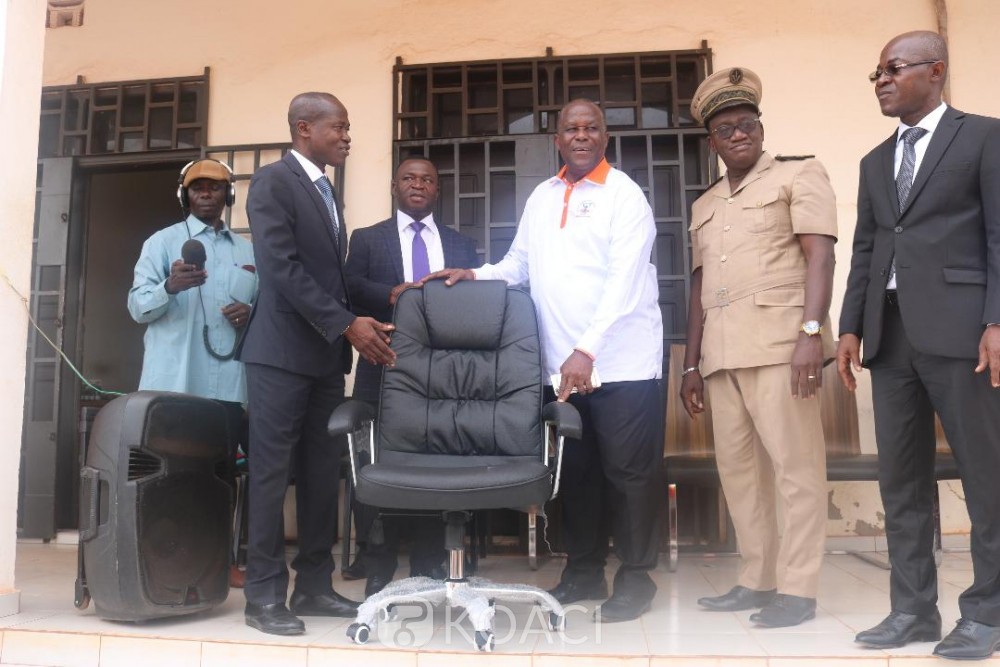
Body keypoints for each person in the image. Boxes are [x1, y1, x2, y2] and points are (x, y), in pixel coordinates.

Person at [424, 99, 664, 623]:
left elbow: (625, 282)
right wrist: (475, 274)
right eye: (571, 128)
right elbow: (519, 264)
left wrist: (587, 349)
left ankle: (636, 578)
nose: (581, 136)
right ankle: (584, 569)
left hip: (622, 363)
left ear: (605, 137)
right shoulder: (542, 196)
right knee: (575, 474)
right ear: (558, 139)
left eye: (591, 128)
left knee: (629, 475)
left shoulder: (624, 195)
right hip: (562, 370)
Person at [838, 31, 1000, 660]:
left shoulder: (983, 137)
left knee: (986, 477)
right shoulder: (875, 161)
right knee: (901, 482)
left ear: (936, 71)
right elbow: (866, 249)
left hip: (965, 334)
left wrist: (996, 320)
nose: (881, 80)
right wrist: (850, 327)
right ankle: (912, 610)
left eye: (893, 68)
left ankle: (987, 613)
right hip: (890, 337)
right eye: (876, 73)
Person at [680, 68, 837, 628]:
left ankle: (798, 588)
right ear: (713, 143)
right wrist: (691, 364)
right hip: (722, 357)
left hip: (780, 347)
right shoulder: (704, 204)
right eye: (725, 129)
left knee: (796, 470)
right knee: (741, 474)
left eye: (747, 123)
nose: (738, 134)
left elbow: (821, 256)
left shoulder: (799, 174)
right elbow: (699, 287)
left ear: (761, 129)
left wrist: (811, 334)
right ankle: (757, 578)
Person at [238, 92, 397, 636]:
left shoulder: (325, 190)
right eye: (340, 127)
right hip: (280, 356)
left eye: (348, 128)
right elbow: (280, 269)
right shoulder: (272, 182)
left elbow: (330, 278)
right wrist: (347, 323)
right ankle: (263, 596)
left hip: (325, 358)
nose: (347, 137)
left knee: (320, 475)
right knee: (270, 476)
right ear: (304, 128)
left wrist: (370, 309)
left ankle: (312, 586)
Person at [344, 157, 479, 596]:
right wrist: (392, 293)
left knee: (435, 463)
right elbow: (348, 286)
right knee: (375, 461)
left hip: (443, 374)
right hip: (382, 362)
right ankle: (378, 562)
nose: (417, 185)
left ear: (437, 189)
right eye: (408, 178)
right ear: (393, 186)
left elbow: (475, 301)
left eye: (427, 179)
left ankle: (430, 560)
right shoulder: (367, 238)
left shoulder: (461, 245)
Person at [127, 158, 257, 590]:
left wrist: (251, 314)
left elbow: (267, 312)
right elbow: (137, 307)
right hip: (175, 386)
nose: (205, 193)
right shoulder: (161, 243)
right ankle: (163, 564)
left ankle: (221, 563)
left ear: (228, 195)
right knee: (172, 479)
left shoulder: (247, 252)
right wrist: (169, 287)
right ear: (184, 195)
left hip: (229, 386)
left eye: (215, 187)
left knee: (221, 479)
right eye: (197, 187)